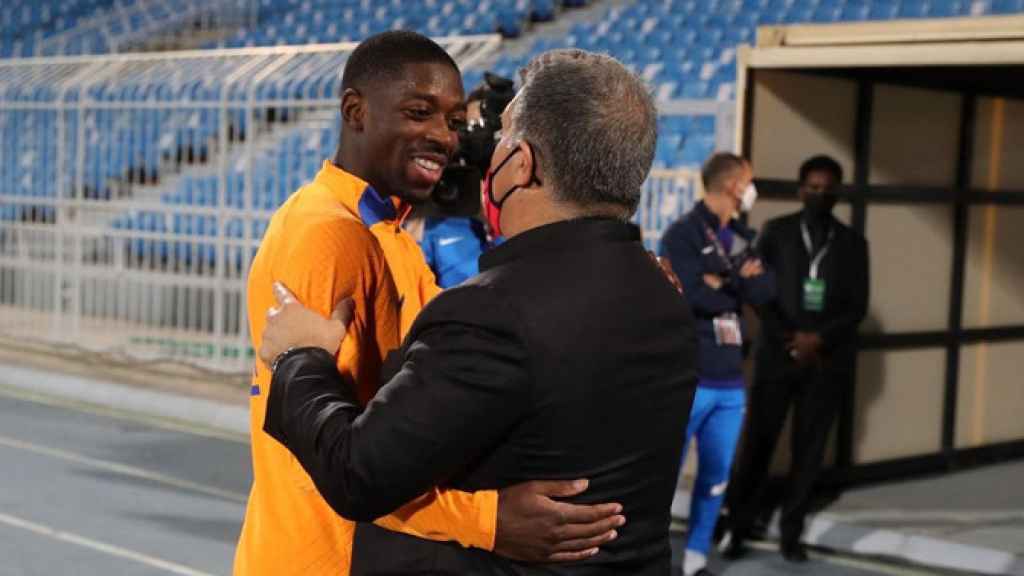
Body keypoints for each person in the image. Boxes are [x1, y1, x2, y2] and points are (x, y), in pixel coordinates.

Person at [257, 48, 699, 575]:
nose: (458, 143)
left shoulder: (494, 312)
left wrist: (298, 356)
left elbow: (358, 470)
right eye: (423, 115)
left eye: (496, 138)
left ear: (524, 162)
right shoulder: (662, 292)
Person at [724, 154, 869, 563]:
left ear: (837, 193)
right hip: (778, 357)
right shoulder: (776, 232)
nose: (819, 195)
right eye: (813, 187)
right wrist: (791, 338)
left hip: (824, 363)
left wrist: (817, 339)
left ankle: (791, 532)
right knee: (758, 445)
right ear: (801, 189)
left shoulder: (853, 244)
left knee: (809, 452)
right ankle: (736, 528)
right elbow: (756, 289)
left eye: (828, 189)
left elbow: (857, 307)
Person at [659, 153, 775, 576]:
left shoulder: (741, 235)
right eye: (749, 181)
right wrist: (735, 283)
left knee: (715, 477)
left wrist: (725, 281)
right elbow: (690, 294)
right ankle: (653, 558)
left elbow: (765, 289)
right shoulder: (682, 234)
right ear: (732, 186)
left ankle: (694, 560)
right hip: (691, 376)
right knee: (664, 476)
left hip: (730, 380)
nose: (751, 189)